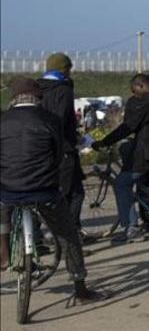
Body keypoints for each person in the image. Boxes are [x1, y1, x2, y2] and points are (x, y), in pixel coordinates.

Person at [0, 78, 106, 302]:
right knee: (68, 235)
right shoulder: (50, 119)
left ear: (14, 99)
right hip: (43, 189)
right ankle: (80, 288)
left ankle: (3, 245)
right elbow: (58, 154)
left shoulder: (3, 120)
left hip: (8, 188)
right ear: (38, 99)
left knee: (3, 208)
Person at [92, 74, 149, 243]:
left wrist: (105, 141)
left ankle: (132, 228)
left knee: (122, 183)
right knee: (142, 182)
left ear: (140, 85)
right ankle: (146, 218)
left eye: (135, 91)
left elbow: (130, 125)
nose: (136, 95)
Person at [36, 52, 86, 243]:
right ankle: (68, 235)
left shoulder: (38, 88)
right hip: (63, 148)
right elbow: (61, 118)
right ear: (64, 70)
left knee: (49, 191)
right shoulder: (63, 89)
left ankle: (44, 233)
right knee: (74, 194)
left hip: (41, 148)